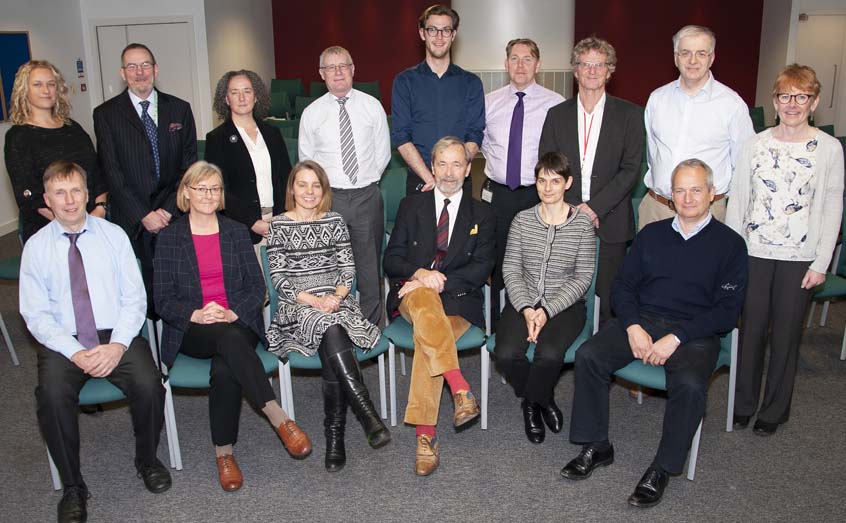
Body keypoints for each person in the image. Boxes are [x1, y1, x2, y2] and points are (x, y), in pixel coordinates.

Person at [561, 159, 747, 508]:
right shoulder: (652, 235)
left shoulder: (731, 245)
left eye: (696, 190)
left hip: (695, 332)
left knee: (690, 385)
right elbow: (623, 288)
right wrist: (632, 326)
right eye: (680, 190)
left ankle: (663, 467)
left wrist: (676, 337)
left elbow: (726, 311)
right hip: (643, 320)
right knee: (589, 356)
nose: (688, 198)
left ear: (712, 194)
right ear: (669, 196)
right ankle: (597, 445)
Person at [19, 161, 171, 523]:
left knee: (150, 385)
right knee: (52, 397)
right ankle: (73, 486)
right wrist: (75, 351)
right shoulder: (36, 248)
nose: (69, 200)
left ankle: (147, 459)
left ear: (88, 195)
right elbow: (35, 314)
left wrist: (117, 345)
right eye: (60, 192)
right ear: (47, 200)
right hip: (63, 340)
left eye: (76, 191)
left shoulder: (113, 235)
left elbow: (135, 299)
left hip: (115, 332)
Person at [153, 161, 310, 492]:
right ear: (186, 193)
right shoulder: (169, 238)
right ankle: (278, 417)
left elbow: (257, 289)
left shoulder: (237, 232)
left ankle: (224, 455)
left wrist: (231, 312)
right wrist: (196, 314)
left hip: (237, 322)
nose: (209, 195)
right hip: (192, 329)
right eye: (201, 188)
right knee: (227, 341)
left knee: (226, 367)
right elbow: (162, 300)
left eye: (215, 188)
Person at [726, 64, 844, 436]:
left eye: (801, 96)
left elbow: (831, 207)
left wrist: (822, 261)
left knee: (787, 337)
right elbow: (738, 201)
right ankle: (742, 404)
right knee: (750, 333)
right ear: (774, 101)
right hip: (753, 254)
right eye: (785, 96)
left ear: (814, 101)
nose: (792, 104)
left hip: (800, 260)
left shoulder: (828, 148)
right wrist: (732, 256)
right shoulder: (755, 145)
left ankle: (773, 410)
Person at [266, 160, 390, 473]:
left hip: (337, 301)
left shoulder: (334, 220)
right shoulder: (279, 225)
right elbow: (279, 278)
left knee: (331, 328)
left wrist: (335, 297)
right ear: (292, 188)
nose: (308, 191)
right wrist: (313, 301)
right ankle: (366, 413)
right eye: (302, 184)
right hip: (297, 305)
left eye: (315, 185)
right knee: (329, 327)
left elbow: (347, 268)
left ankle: (335, 436)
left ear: (324, 190)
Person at [383, 136, 495, 476]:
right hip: (413, 295)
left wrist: (434, 280)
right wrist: (418, 273)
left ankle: (425, 436)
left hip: (458, 301)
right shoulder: (410, 206)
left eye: (457, 164)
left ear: (468, 168)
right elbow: (392, 258)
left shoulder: (484, 213)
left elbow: (482, 268)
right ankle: (459, 387)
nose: (449, 172)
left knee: (426, 342)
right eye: (442, 164)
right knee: (423, 300)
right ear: (431, 168)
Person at [539, 36, 643, 324]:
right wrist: (573, 210)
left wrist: (594, 208)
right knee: (564, 293)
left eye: (600, 65)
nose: (593, 71)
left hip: (611, 219)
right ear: (575, 70)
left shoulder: (630, 115)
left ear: (610, 70)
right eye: (586, 64)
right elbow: (549, 167)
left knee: (610, 296)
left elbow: (631, 168)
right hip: (564, 217)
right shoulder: (556, 115)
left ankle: (602, 359)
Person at [497, 152, 595, 444]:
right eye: (542, 180)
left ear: (568, 183)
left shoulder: (582, 225)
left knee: (549, 354)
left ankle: (530, 404)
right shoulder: (522, 220)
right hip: (522, 300)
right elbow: (511, 269)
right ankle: (544, 399)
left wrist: (547, 310)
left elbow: (582, 278)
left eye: (555, 181)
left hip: (564, 306)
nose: (547, 188)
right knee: (505, 353)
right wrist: (527, 309)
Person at [93, 43, 198, 314]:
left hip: (174, 212)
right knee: (139, 293)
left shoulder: (180, 109)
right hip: (132, 217)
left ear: (155, 69)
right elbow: (111, 171)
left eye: (145, 65)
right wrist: (144, 214)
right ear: (122, 72)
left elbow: (190, 167)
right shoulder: (106, 114)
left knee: (184, 286)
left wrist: (167, 209)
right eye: (132, 66)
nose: (139, 72)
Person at [299, 46, 391, 325]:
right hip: (329, 199)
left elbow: (383, 152)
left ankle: (370, 331)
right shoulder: (312, 113)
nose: (338, 72)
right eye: (331, 67)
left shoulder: (371, 105)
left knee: (369, 269)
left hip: (366, 195)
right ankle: (338, 329)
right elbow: (307, 159)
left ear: (353, 70)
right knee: (332, 270)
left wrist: (364, 180)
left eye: (343, 66)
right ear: (321, 74)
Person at [482, 38, 564, 323]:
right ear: (505, 64)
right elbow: (481, 146)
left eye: (527, 59)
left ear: (538, 65)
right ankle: (496, 323)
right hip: (497, 194)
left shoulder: (555, 104)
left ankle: (531, 321)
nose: (520, 65)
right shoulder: (489, 103)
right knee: (497, 259)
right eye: (514, 59)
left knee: (535, 261)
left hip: (537, 195)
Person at [642, 25, 754, 228]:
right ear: (676, 57)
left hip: (707, 214)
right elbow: (652, 154)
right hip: (657, 210)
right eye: (686, 53)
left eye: (701, 53)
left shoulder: (732, 104)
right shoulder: (657, 99)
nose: (693, 61)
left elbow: (744, 165)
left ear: (711, 58)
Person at [4, 60, 107, 244]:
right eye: (38, 84)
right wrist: (72, 225)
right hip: (51, 230)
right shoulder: (18, 137)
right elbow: (29, 197)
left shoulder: (73, 128)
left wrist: (99, 209)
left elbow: (97, 174)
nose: (46, 90)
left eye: (51, 84)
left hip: (93, 220)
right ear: (24, 90)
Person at [391, 4, 485, 195]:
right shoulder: (404, 81)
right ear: (422, 34)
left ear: (453, 35)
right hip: (421, 182)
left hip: (459, 182)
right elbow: (401, 136)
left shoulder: (472, 83)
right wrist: (430, 178)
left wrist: (452, 175)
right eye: (432, 30)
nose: (439, 37)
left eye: (445, 30)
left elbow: (475, 134)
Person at [205, 69, 292, 253]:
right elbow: (218, 190)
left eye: (247, 91)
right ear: (226, 99)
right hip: (241, 226)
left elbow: (286, 178)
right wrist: (252, 222)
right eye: (234, 92)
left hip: (279, 222)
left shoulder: (272, 133)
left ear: (256, 96)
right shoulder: (217, 138)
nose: (242, 98)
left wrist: (281, 218)